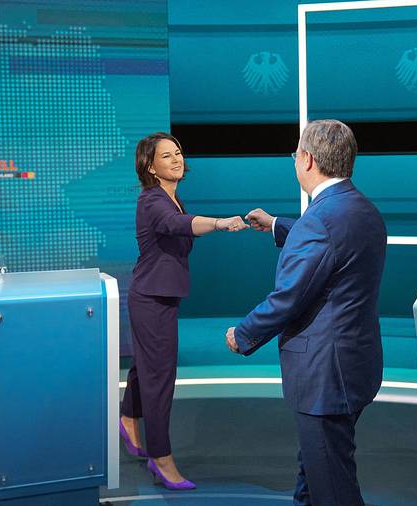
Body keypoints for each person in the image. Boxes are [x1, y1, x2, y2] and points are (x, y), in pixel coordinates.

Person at [225, 120, 387, 506]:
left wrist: (243, 334)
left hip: (324, 375)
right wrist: (277, 225)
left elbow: (288, 298)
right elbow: (333, 242)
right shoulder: (362, 208)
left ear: (308, 160)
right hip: (354, 365)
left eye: (295, 154)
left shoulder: (319, 221)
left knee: (332, 488)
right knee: (314, 477)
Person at [120, 132, 248, 490]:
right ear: (150, 167)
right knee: (159, 379)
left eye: (177, 152)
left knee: (147, 367)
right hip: (151, 300)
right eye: (166, 156)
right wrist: (220, 223)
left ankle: (128, 418)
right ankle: (161, 458)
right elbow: (180, 225)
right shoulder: (152, 200)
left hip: (158, 297)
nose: (176, 159)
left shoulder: (172, 197)